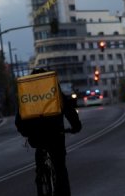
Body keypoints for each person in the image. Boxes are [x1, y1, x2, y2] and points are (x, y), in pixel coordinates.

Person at [15, 68, 82, 196]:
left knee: (40, 156)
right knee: (60, 169)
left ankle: (40, 176)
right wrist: (76, 126)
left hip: (36, 137)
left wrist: (25, 132)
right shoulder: (53, 90)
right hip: (55, 134)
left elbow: (19, 119)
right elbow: (68, 108)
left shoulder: (27, 95)